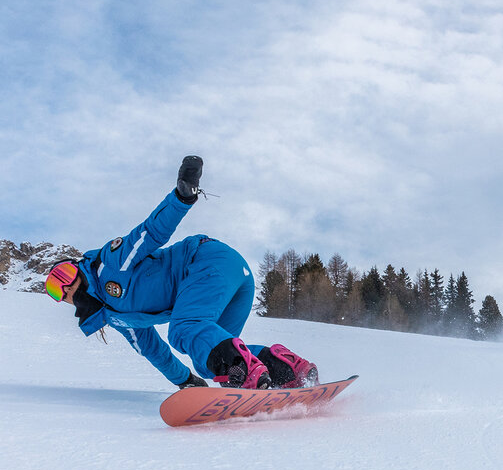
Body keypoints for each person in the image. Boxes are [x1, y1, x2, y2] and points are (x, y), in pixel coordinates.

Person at [44, 155, 318, 391]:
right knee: (213, 361)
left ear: (78, 267)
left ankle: (249, 375)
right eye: (55, 290)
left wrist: (181, 197)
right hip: (235, 278)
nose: (65, 289)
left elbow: (149, 233)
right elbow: (152, 350)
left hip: (206, 262)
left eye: (64, 275)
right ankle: (289, 370)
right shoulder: (116, 318)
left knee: (184, 329)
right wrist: (185, 380)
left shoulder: (110, 264)